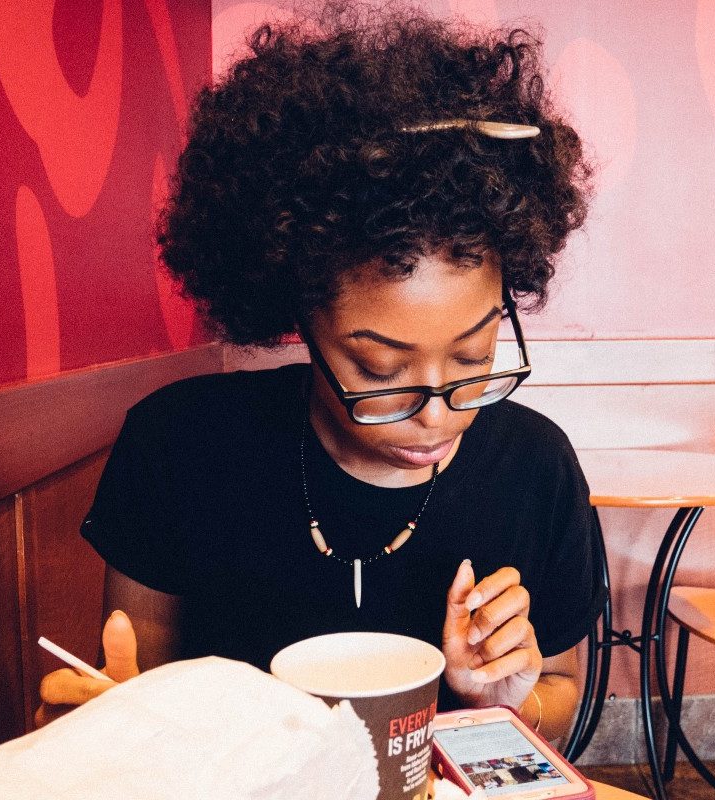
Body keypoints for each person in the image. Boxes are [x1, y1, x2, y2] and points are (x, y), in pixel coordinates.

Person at [36, 3, 603, 742]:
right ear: (301, 318)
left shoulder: (534, 467)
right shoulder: (178, 445)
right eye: (380, 368)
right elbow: (132, 689)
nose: (438, 414)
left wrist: (502, 702)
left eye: (474, 357)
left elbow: (561, 690)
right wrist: (94, 734)